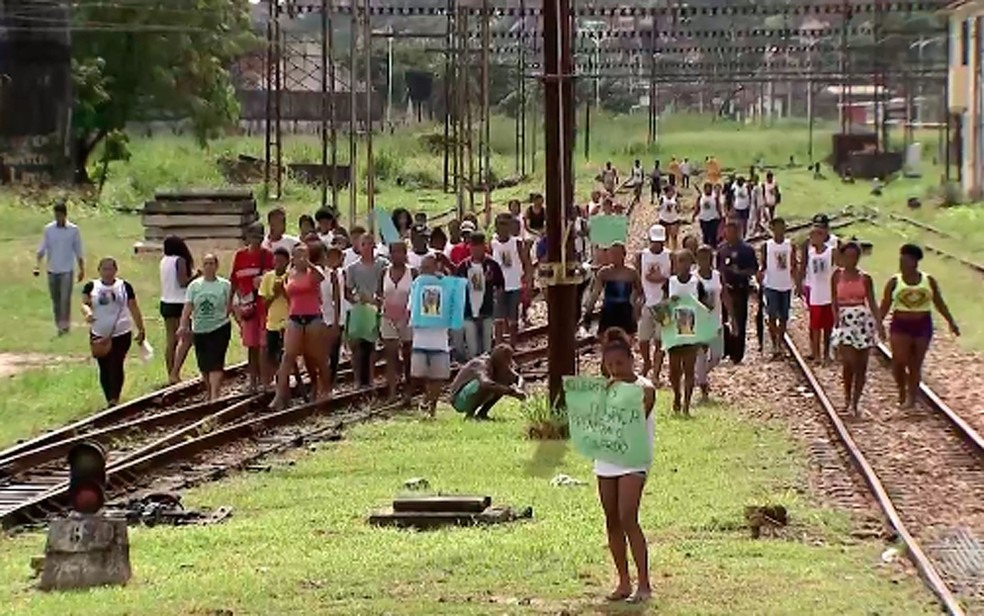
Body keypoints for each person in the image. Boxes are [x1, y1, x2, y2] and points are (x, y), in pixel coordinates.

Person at [594, 327, 655, 604]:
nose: (615, 369)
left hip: (633, 458)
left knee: (628, 516)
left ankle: (644, 584)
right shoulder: (604, 389)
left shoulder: (645, 388)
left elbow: (634, 417)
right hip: (607, 458)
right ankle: (623, 581)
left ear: (631, 361)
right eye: (610, 365)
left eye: (619, 363)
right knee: (612, 519)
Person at [879, 244, 960, 409]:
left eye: (906, 260)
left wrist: (951, 321)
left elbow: (939, 303)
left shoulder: (928, 281)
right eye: (901, 260)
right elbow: (885, 304)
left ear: (915, 262)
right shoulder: (894, 282)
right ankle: (901, 390)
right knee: (899, 361)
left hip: (922, 325)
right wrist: (877, 323)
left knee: (915, 363)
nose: (902, 263)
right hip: (901, 324)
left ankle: (912, 398)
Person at [82, 257, 146, 406]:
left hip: (121, 332)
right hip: (99, 333)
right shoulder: (92, 286)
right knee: (104, 366)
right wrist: (87, 313)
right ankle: (108, 397)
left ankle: (114, 398)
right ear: (99, 270)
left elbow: (134, 308)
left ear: (115, 270)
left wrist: (141, 328)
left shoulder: (124, 286)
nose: (107, 272)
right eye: (104, 269)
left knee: (117, 364)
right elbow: (84, 304)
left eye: (110, 269)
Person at [830, 242, 883, 417]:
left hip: (862, 322)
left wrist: (879, 324)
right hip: (846, 321)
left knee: (861, 366)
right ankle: (847, 398)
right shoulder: (836, 276)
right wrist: (836, 319)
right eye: (848, 256)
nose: (852, 260)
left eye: (855, 256)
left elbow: (872, 302)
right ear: (843, 257)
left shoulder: (865, 278)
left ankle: (855, 402)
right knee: (849, 363)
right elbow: (834, 300)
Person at [271, 243, 326, 409]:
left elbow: (321, 277)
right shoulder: (289, 275)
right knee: (288, 356)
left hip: (313, 317)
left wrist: (308, 263)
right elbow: (289, 297)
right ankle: (280, 396)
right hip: (295, 318)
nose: (300, 258)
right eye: (297, 255)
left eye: (304, 255)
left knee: (314, 357)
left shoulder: (313, 272)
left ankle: (322, 388)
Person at [178, 253, 232, 401]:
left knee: (216, 362)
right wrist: (183, 325)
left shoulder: (225, 285)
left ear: (217, 266)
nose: (209, 267)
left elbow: (231, 306)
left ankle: (215, 394)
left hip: (220, 327)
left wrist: (240, 324)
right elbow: (188, 306)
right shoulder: (194, 286)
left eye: (211, 263)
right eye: (206, 263)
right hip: (200, 329)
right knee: (204, 364)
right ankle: (210, 391)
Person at [231, 222, 275, 389]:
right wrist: (230, 303)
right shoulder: (240, 256)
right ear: (247, 237)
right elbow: (234, 281)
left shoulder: (267, 256)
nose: (256, 239)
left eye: (259, 236)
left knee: (264, 345)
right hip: (247, 307)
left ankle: (266, 380)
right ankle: (253, 381)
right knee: (251, 345)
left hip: (264, 307)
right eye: (253, 235)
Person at [664, 249, 708, 416]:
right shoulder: (670, 282)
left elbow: (705, 307)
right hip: (674, 329)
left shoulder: (697, 283)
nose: (683, 265)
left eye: (686, 261)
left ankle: (687, 405)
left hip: (691, 327)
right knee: (674, 370)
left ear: (691, 263)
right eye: (680, 261)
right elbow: (662, 305)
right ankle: (676, 395)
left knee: (689, 368)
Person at [409, 255, 452, 417]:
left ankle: (431, 405)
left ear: (436, 267)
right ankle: (427, 399)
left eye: (427, 268)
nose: (424, 272)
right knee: (421, 374)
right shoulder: (417, 284)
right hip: (421, 337)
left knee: (438, 376)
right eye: (422, 269)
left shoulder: (445, 283)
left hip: (439, 338)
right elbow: (411, 308)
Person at [35, 200, 85, 336]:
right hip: (52, 269)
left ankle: (65, 326)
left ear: (65, 215)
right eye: (56, 215)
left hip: (67, 270)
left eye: (60, 215)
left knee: (65, 299)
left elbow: (78, 250)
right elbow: (42, 248)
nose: (58, 218)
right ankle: (59, 325)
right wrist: (37, 265)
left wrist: (81, 269)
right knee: (56, 300)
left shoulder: (73, 230)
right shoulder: (49, 230)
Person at [345, 234, 387, 387]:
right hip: (359, 309)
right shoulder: (353, 268)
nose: (368, 247)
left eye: (370, 243)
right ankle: (357, 379)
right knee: (356, 344)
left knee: (372, 345)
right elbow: (348, 291)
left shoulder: (382, 265)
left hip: (376, 307)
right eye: (364, 244)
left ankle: (370, 377)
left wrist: (378, 300)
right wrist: (356, 299)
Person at [456, 232, 505, 360]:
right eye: (473, 247)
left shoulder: (492, 265)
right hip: (468, 312)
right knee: (473, 350)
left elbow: (500, 286)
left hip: (487, 310)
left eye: (479, 246)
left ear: (484, 246)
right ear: (470, 248)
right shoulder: (463, 267)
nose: (476, 250)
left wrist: (495, 300)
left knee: (487, 348)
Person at [716, 220, 758, 363]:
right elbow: (717, 269)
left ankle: (737, 354)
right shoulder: (721, 250)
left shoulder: (747, 250)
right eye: (727, 231)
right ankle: (725, 349)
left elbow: (753, 269)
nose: (729, 234)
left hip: (740, 289)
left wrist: (739, 272)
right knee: (724, 321)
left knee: (739, 321)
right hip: (725, 289)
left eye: (732, 231)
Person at [582, 242, 643, 339]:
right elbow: (595, 294)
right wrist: (588, 312)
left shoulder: (631, 273)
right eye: (612, 254)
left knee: (628, 338)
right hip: (609, 309)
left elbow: (640, 292)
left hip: (626, 310)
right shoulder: (604, 272)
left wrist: (637, 309)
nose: (614, 257)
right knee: (604, 338)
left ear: (624, 255)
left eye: (617, 254)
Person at [380, 241, 415, 403]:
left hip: (407, 318)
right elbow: (380, 293)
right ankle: (392, 392)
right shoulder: (384, 272)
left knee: (408, 355)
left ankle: (408, 390)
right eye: (393, 252)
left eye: (400, 252)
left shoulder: (412, 272)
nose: (396, 256)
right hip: (388, 317)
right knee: (391, 354)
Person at [636, 224, 671, 382]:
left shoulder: (669, 256)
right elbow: (638, 278)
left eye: (660, 241)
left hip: (663, 303)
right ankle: (647, 362)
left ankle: (656, 373)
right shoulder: (641, 256)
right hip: (647, 302)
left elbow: (674, 278)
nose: (657, 244)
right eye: (654, 241)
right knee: (643, 340)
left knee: (659, 341)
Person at [450, 344, 525, 419]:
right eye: (507, 360)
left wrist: (519, 388)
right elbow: (485, 382)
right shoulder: (482, 364)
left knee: (502, 382)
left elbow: (519, 378)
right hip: (458, 400)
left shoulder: (500, 368)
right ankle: (470, 415)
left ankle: (482, 413)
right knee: (488, 385)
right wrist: (510, 391)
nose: (509, 364)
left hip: (469, 396)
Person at [759, 217, 798, 359]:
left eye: (782, 227)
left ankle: (780, 341)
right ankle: (775, 343)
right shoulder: (767, 246)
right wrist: (760, 275)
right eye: (776, 227)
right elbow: (763, 265)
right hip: (771, 285)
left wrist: (797, 283)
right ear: (772, 229)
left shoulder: (790, 245)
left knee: (784, 317)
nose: (779, 230)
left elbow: (793, 265)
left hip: (786, 285)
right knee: (772, 315)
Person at [491, 213, 531, 347]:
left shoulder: (517, 243)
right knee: (498, 318)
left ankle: (512, 345)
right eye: (500, 224)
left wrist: (528, 281)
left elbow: (526, 262)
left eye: (506, 224)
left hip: (514, 284)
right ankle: (499, 345)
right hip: (499, 286)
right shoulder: (493, 244)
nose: (503, 228)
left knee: (513, 317)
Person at [160, 236, 194, 383]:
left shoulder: (164, 261)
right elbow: (183, 282)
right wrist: (196, 276)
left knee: (171, 340)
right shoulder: (179, 260)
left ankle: (171, 373)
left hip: (166, 301)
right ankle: (175, 371)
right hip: (179, 303)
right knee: (187, 338)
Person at [695, 246, 727, 400]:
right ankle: (702, 384)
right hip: (700, 324)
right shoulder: (693, 278)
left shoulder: (717, 276)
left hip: (716, 320)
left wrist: (732, 316)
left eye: (707, 258)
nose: (704, 261)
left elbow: (725, 295)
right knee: (701, 355)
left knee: (717, 355)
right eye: (701, 258)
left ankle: (700, 376)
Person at [802, 227, 836, 365]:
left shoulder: (830, 252)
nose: (812, 240)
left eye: (814, 236)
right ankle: (816, 354)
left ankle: (827, 353)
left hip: (828, 294)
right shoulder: (810, 253)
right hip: (815, 294)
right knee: (815, 327)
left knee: (828, 327)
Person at [258, 247, 291, 389]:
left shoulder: (291, 276)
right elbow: (264, 303)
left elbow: (294, 301)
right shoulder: (268, 277)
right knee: (271, 353)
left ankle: (285, 380)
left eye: (281, 261)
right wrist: (275, 294)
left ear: (287, 262)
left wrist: (283, 291)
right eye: (276, 260)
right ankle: (271, 380)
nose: (278, 263)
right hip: (272, 322)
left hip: (288, 322)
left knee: (287, 355)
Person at [320, 246, 346, 395]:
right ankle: (323, 383)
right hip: (323, 318)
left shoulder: (340, 274)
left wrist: (337, 320)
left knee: (333, 353)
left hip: (336, 319)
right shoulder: (322, 275)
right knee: (323, 353)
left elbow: (339, 298)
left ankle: (331, 381)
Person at [693, 182, 724, 248]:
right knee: (705, 235)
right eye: (706, 188)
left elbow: (718, 207)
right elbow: (697, 207)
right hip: (703, 218)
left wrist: (721, 216)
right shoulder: (701, 197)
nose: (708, 190)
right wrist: (694, 215)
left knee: (713, 235)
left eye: (709, 188)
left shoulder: (715, 197)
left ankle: (714, 249)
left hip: (713, 218)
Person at [657, 184, 681, 251]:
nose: (671, 193)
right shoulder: (662, 199)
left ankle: (675, 250)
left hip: (674, 220)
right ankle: (667, 250)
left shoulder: (675, 199)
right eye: (670, 192)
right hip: (664, 219)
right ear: (666, 192)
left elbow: (679, 209)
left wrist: (677, 207)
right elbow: (659, 208)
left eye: (672, 192)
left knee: (674, 236)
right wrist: (660, 207)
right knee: (665, 237)